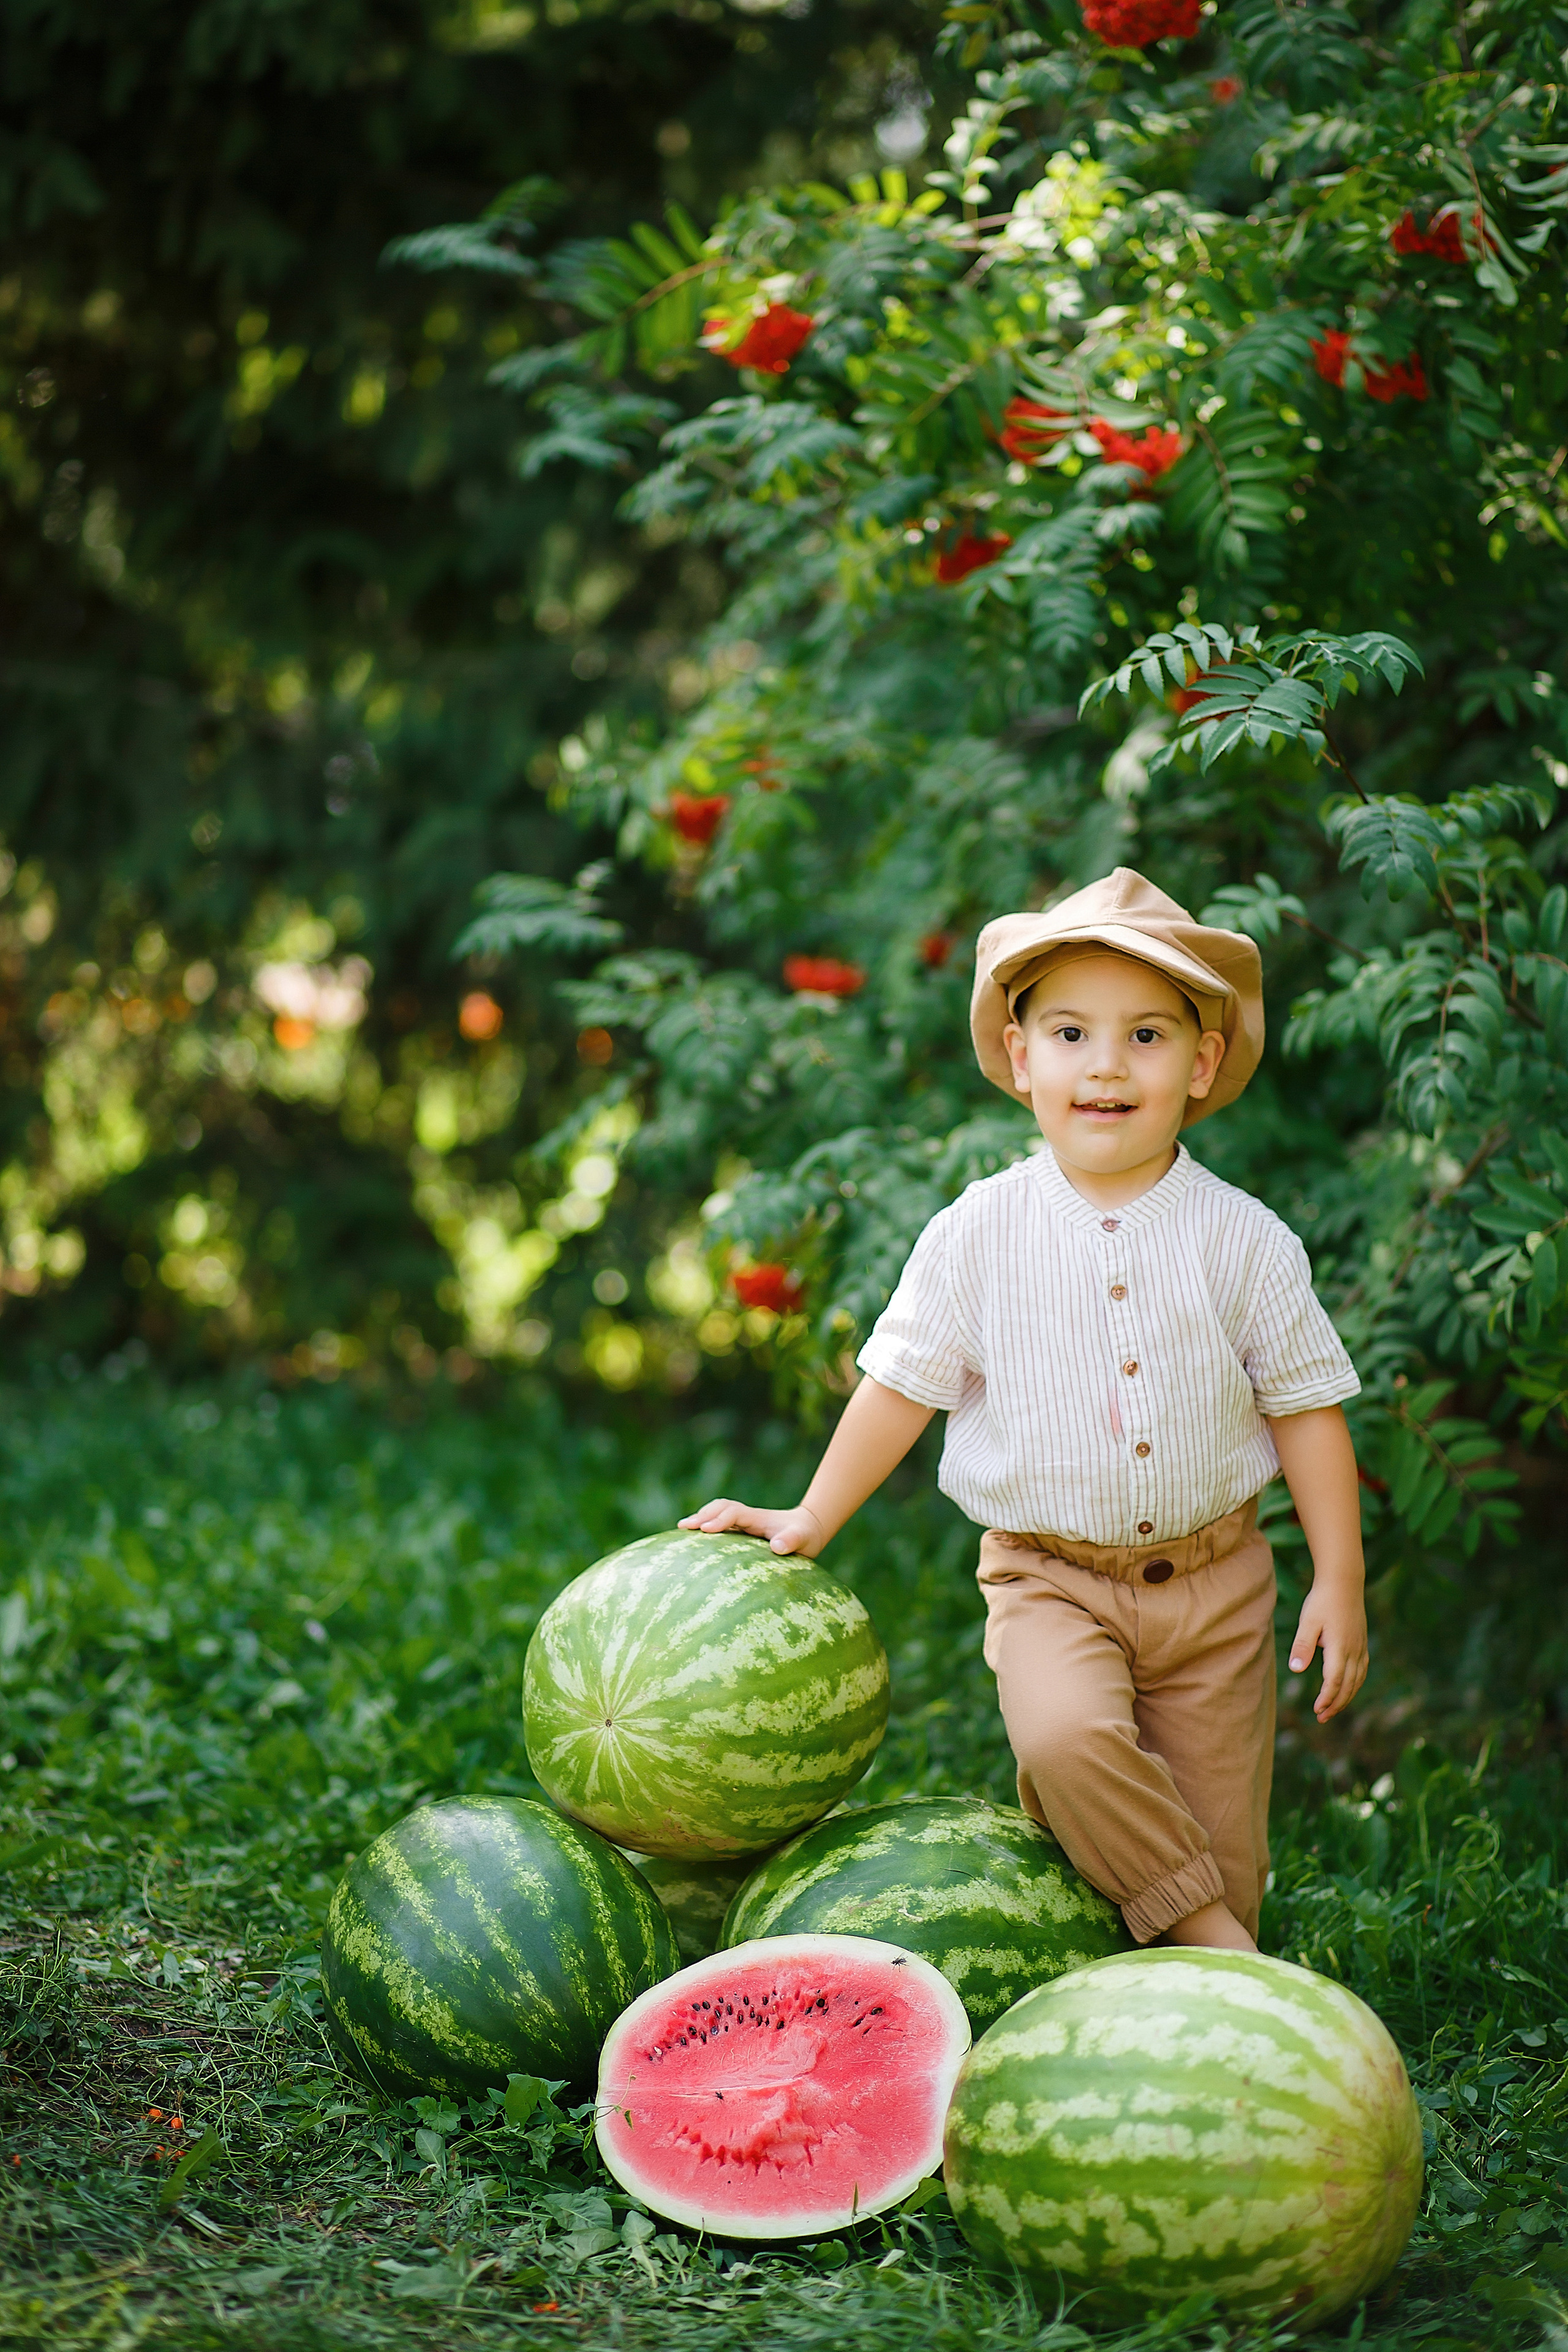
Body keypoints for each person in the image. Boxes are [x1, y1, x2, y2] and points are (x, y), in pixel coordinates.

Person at [680, 867, 1368, 1953]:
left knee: (1225, 1855)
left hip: (1218, 1589)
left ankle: (1177, 1958)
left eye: (1147, 1035)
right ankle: (1211, 1942)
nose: (1106, 1064)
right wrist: (811, 1516)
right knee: (1064, 1741)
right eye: (1070, 1033)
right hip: (1049, 1579)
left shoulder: (1244, 1239)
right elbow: (901, 1385)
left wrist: (1340, 1575)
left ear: (1205, 1061)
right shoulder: (977, 1233)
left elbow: (1306, 1408)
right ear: (1020, 1057)